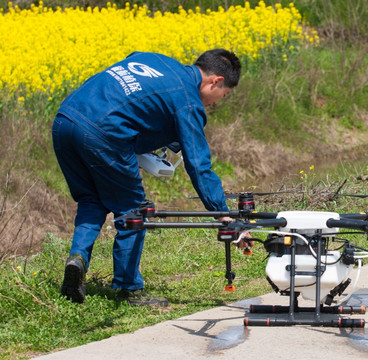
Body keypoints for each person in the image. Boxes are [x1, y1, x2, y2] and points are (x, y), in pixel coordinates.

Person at [52, 49, 247, 306]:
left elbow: (137, 99)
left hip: (66, 119)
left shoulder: (155, 59)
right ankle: (129, 288)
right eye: (222, 96)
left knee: (91, 200)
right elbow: (199, 166)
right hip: (104, 133)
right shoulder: (188, 100)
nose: (215, 102)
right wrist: (223, 213)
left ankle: (77, 260)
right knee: (133, 211)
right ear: (216, 81)